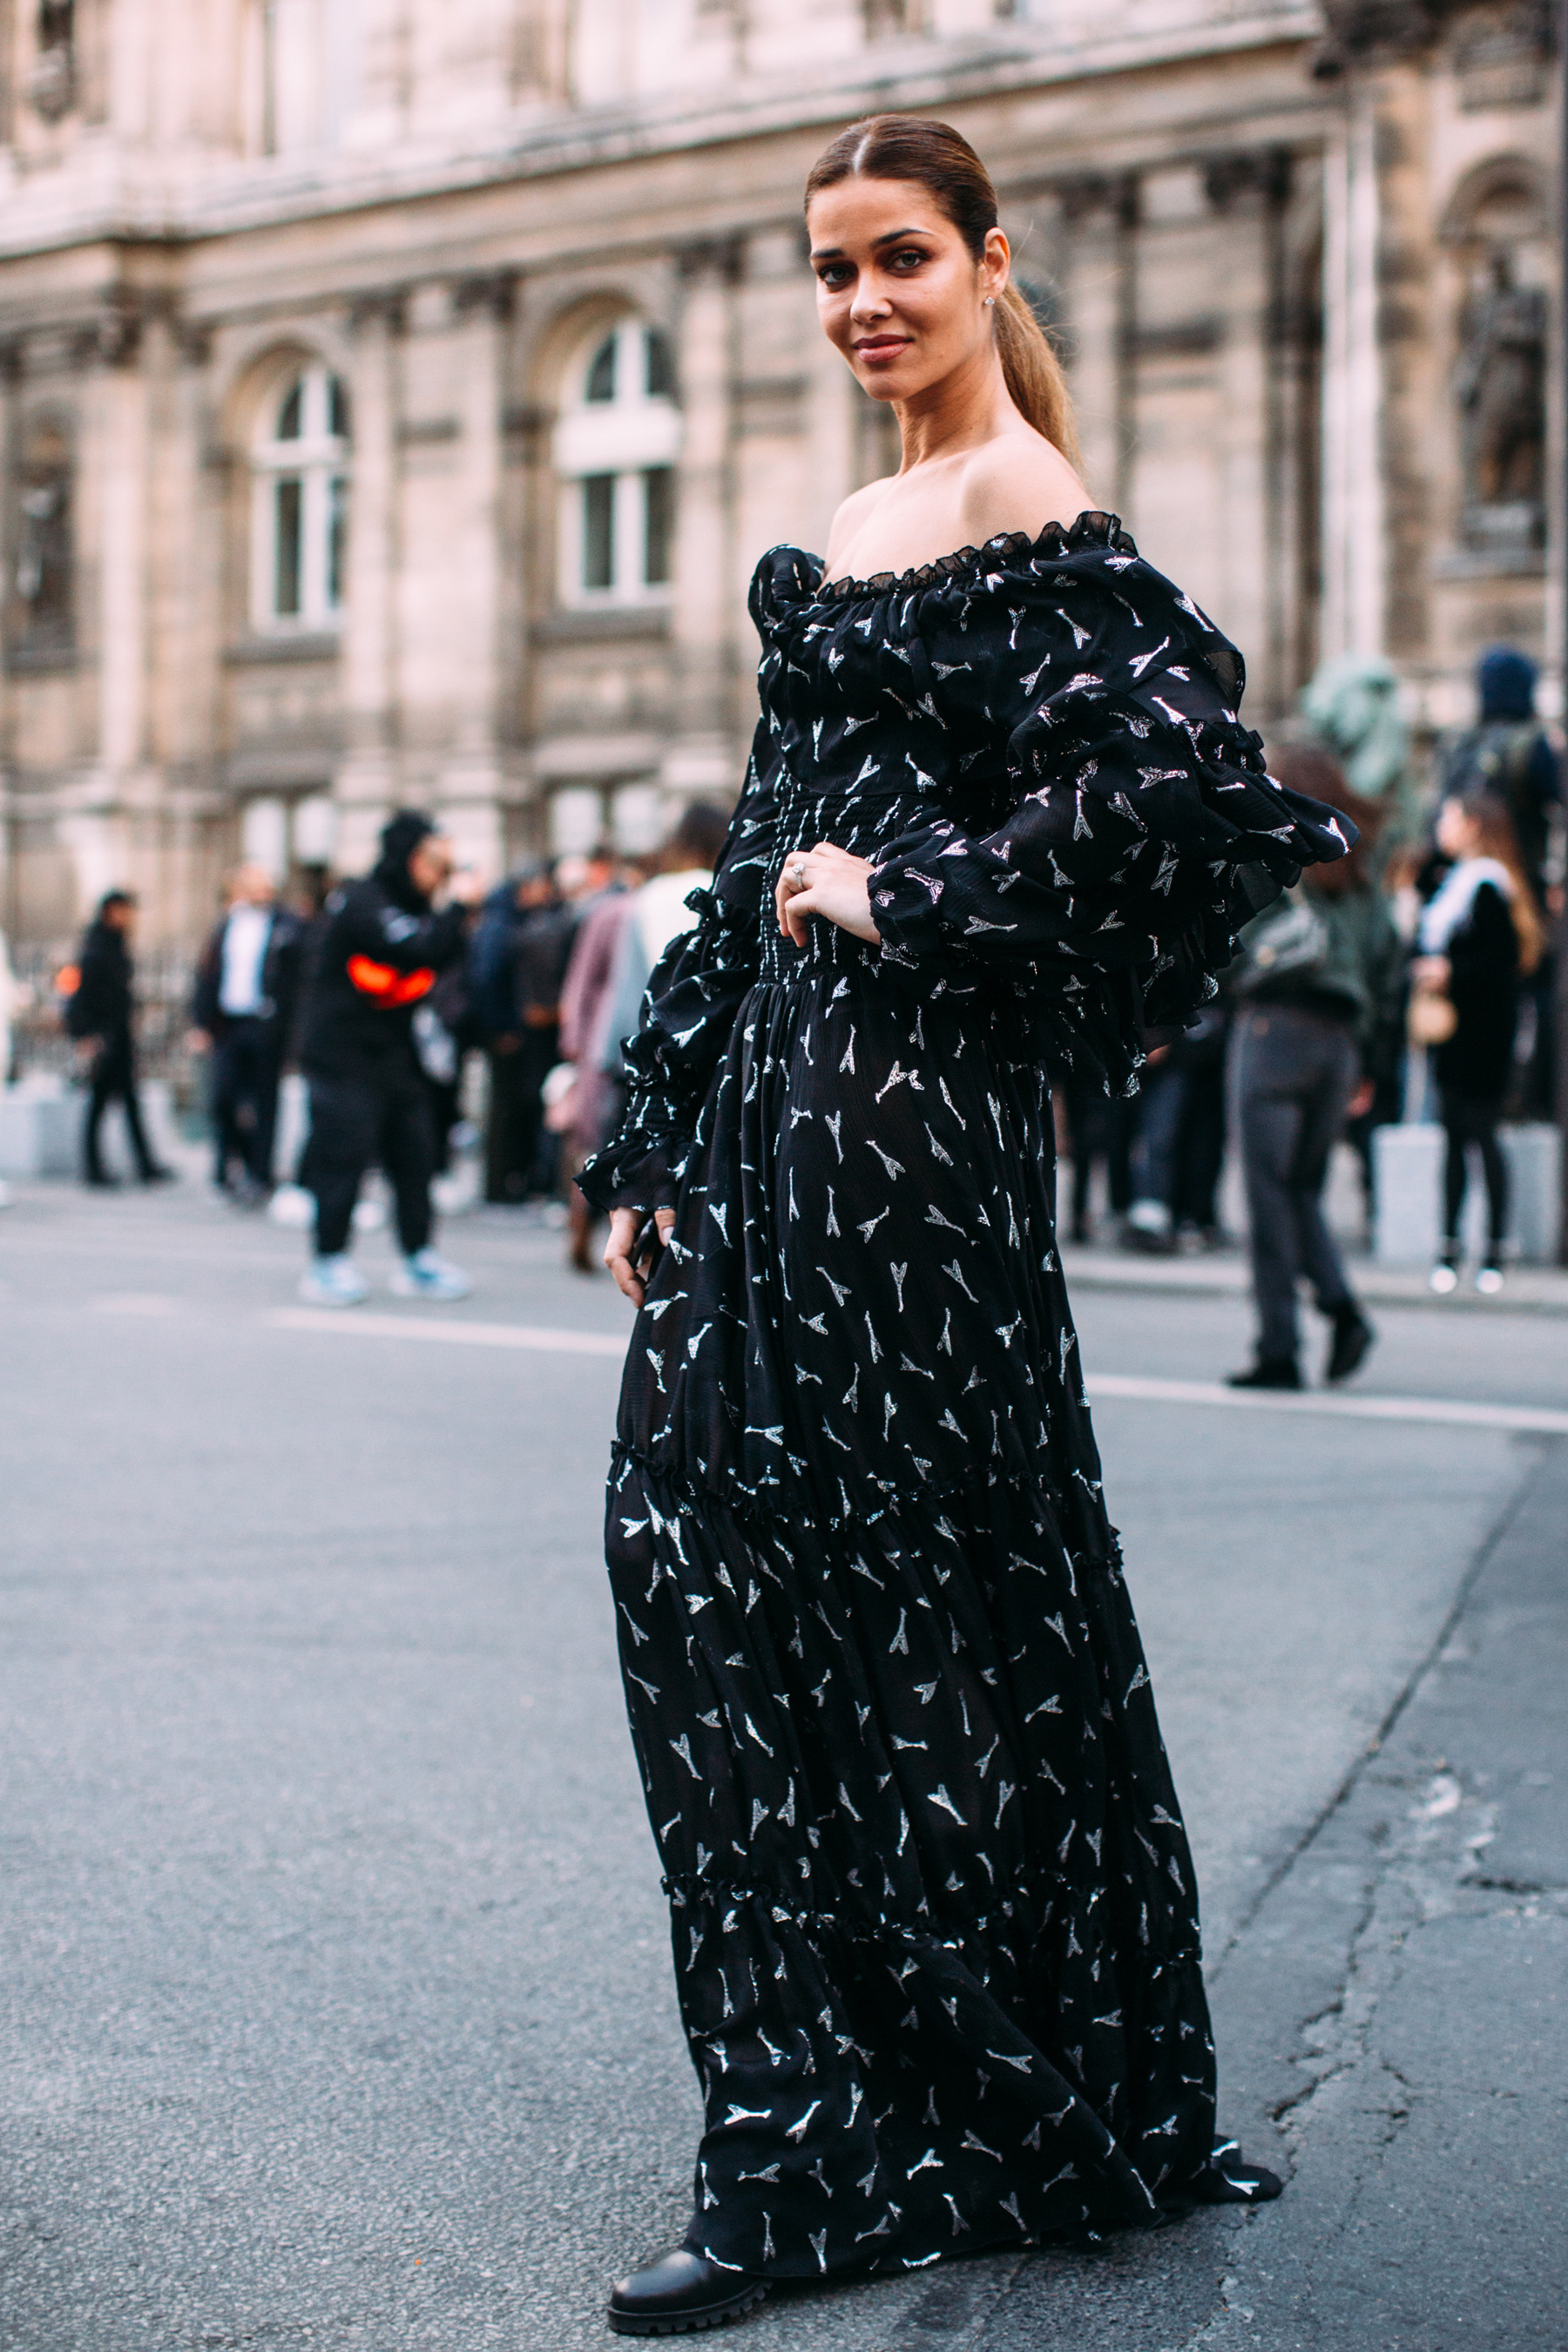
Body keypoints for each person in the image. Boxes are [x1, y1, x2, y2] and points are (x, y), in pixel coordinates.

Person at [578, 115, 1348, 2338]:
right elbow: (758, 848)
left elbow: (1195, 796)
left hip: (906, 1146)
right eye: (829, 268)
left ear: (988, 261)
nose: (861, 302)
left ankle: (851, 2151)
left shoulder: (1029, 503)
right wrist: (650, 1133)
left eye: (898, 256)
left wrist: (916, 896)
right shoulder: (858, 519)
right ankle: (956, 2104)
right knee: (753, 1587)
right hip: (772, 1134)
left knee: (900, 1591)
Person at [1225, 747, 1400, 1389]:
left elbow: (1231, 936)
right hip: (1340, 1043)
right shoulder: (1360, 864)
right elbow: (1388, 961)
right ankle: (1342, 1309)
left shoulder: (1271, 847)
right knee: (1302, 1188)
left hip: (1275, 1030)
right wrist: (1370, 1059)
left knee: (1269, 1195)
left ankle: (1281, 1347)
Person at [294, 810, 476, 1306]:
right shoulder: (361, 900)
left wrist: (453, 911)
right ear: (408, 856)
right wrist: (457, 907)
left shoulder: (421, 908)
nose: (441, 872)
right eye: (433, 859)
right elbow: (417, 950)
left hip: (394, 1054)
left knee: (414, 1155)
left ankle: (418, 1258)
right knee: (344, 1155)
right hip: (341, 1054)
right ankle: (327, 1260)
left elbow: (445, 954)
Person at [1416, 790, 1544, 1294]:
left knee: (1479, 1134)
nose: (1441, 827)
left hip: (1482, 1031)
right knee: (1458, 1135)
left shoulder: (1489, 884)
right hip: (1458, 1030)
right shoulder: (1459, 879)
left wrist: (1449, 971)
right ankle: (1455, 1246)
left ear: (1472, 824)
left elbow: (1498, 963)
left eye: (1449, 817)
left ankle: (1489, 1247)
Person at [1439, 646, 1561, 1119]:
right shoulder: (1532, 745)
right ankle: (1529, 1096)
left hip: (1462, 890)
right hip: (1520, 892)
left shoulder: (1459, 745)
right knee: (1536, 995)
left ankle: (1470, 1100)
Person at [189, 863, 303, 1202]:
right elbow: (207, 974)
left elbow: (296, 982)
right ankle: (226, 1169)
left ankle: (260, 1174)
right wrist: (200, 1022)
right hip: (228, 1023)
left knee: (266, 1102)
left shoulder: (287, 925)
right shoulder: (227, 924)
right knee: (222, 1098)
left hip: (265, 1023)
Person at [65, 891, 175, 1188]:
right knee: (101, 1103)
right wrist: (86, 1034)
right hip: (105, 1037)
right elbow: (82, 995)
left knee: (127, 1102)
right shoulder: (97, 947)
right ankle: (97, 1167)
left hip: (118, 1035)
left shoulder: (113, 943)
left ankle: (142, 1164)